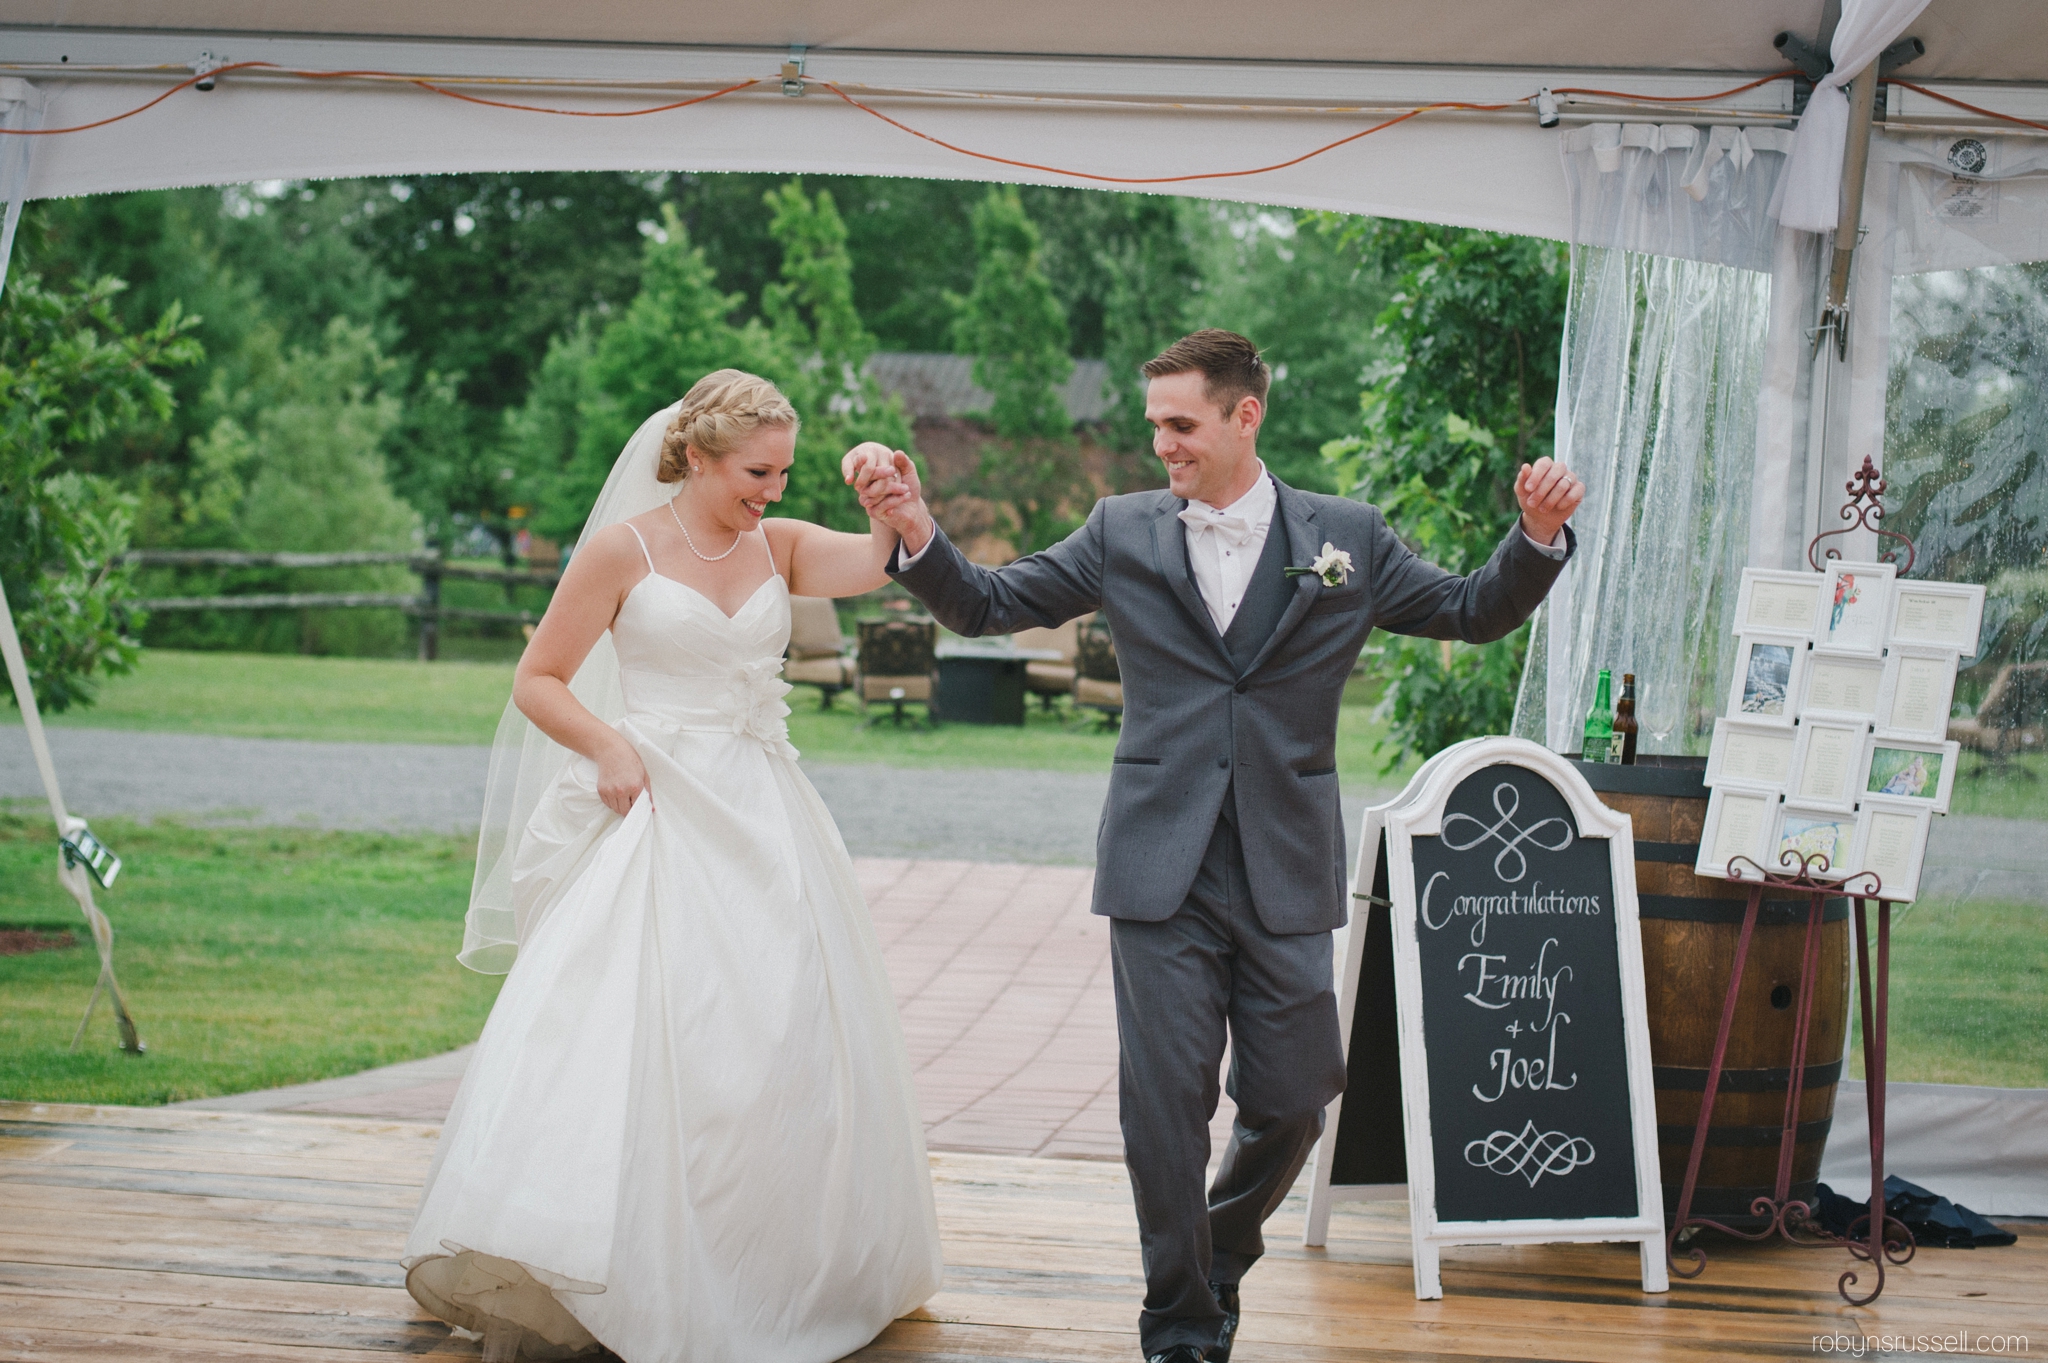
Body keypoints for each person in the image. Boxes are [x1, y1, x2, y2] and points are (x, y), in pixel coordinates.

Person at [847, 330, 1582, 1363]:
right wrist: (913, 527)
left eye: (1180, 424)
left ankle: (1220, 1248)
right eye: (1155, 425)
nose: (1162, 446)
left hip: (1284, 862)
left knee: (1292, 1101)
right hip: (1159, 866)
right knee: (1163, 1112)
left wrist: (1535, 535)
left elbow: (1467, 609)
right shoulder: (1121, 529)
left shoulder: (1348, 538)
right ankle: (1180, 1319)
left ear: (1246, 416)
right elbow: (989, 603)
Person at [404, 370, 942, 1363]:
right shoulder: (622, 550)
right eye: (755, 470)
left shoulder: (774, 544)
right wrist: (610, 748)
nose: (772, 489)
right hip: (657, 805)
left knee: (778, 1029)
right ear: (694, 454)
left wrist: (890, 507)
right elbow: (539, 678)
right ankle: (618, 1260)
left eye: (782, 470)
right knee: (649, 1026)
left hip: (765, 814)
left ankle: (773, 1268)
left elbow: (874, 564)